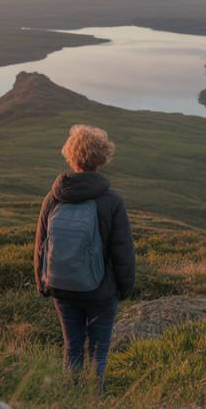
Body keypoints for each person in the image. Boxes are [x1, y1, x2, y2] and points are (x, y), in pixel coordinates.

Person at [34, 124, 135, 386]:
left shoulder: (53, 197)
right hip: (101, 289)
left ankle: (71, 397)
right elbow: (122, 249)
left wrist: (42, 282)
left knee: (72, 347)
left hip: (61, 285)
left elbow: (41, 244)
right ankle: (93, 399)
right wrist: (123, 288)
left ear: (70, 155)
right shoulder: (112, 200)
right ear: (102, 158)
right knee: (98, 351)